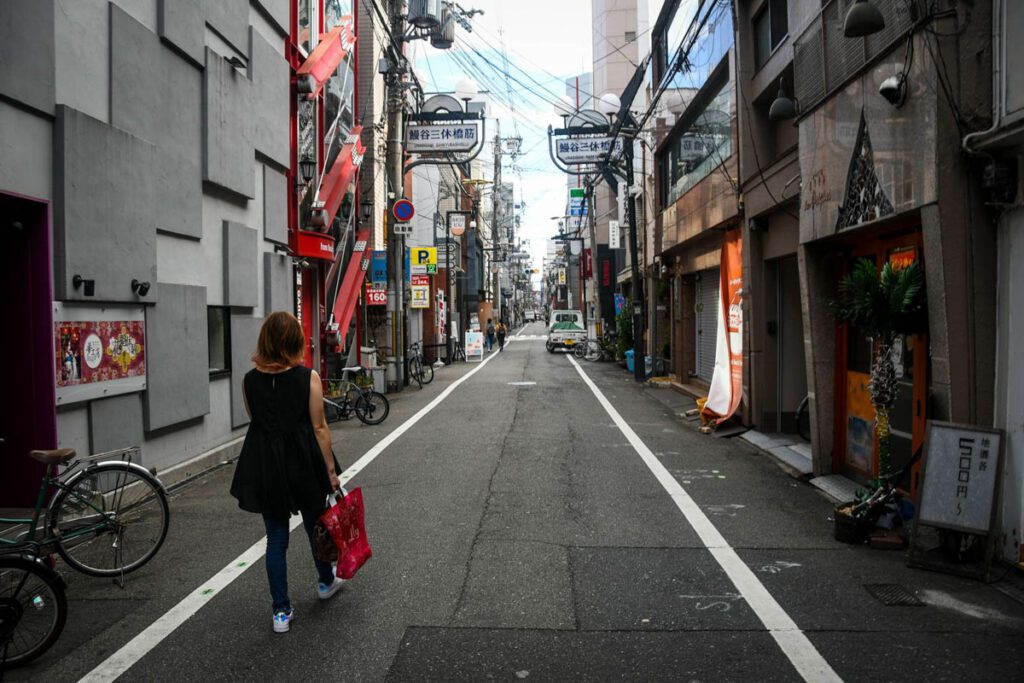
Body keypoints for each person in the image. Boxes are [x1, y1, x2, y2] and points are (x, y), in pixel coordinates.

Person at [230, 312, 345, 634]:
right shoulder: (308, 377)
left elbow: (259, 420)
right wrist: (331, 471)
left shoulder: (249, 380)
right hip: (304, 461)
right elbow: (319, 427)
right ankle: (325, 581)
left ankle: (281, 612)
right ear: (294, 342)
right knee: (315, 526)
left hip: (266, 463)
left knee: (276, 538)